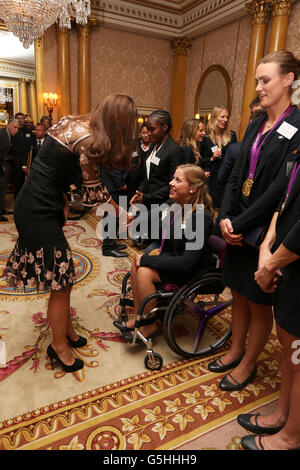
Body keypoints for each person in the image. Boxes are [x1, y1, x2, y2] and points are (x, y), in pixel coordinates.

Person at [3, 93, 137, 374]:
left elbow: (50, 167)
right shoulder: (89, 140)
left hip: (39, 200)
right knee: (61, 283)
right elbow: (95, 194)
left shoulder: (72, 120)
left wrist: (62, 199)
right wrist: (122, 213)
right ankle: (59, 346)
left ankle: (67, 333)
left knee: (64, 278)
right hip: (37, 209)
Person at [208, 50, 300, 392]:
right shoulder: (254, 123)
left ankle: (248, 365)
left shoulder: (298, 126)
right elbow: (235, 177)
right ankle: (235, 349)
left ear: (288, 80)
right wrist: (225, 218)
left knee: (258, 300)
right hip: (238, 223)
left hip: (265, 231)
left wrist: (242, 222)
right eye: (257, 80)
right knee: (238, 292)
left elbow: (280, 188)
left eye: (266, 80)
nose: (259, 87)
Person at [239, 147, 300, 450]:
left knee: (299, 356)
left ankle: (291, 437)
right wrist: (267, 246)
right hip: (286, 263)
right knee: (289, 348)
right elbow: (284, 204)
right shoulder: (296, 152)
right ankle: (282, 415)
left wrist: (272, 264)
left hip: (294, 263)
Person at [114, 164, 216, 340]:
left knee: (144, 270)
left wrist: (148, 260)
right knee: (136, 263)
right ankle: (140, 318)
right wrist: (133, 219)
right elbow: (153, 214)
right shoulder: (174, 204)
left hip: (189, 269)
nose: (171, 183)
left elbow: (187, 263)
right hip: (173, 256)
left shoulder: (201, 218)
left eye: (178, 180)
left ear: (193, 188)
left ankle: (149, 326)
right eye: (173, 178)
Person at [130, 110, 184, 243]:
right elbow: (149, 176)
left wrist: (146, 197)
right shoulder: (154, 145)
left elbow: (173, 185)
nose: (148, 133)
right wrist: (139, 192)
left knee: (154, 242)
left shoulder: (174, 150)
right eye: (147, 129)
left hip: (162, 202)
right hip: (148, 200)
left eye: (152, 129)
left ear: (164, 127)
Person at [200, 106, 237, 209]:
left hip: (226, 177)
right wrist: (211, 158)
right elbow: (199, 159)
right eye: (222, 116)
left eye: (227, 117)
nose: (225, 120)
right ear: (215, 118)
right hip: (210, 178)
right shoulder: (205, 137)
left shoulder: (232, 136)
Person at [10, 112, 34, 197]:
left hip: (27, 160)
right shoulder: (12, 131)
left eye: (22, 118)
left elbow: (31, 146)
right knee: (17, 182)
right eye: (18, 118)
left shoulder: (28, 132)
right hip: (15, 160)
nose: (20, 120)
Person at [0, 118, 19, 221]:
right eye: (14, 127)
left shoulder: (7, 135)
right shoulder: (2, 134)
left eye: (17, 128)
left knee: (3, 187)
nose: (16, 130)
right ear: (8, 125)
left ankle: (2, 209)